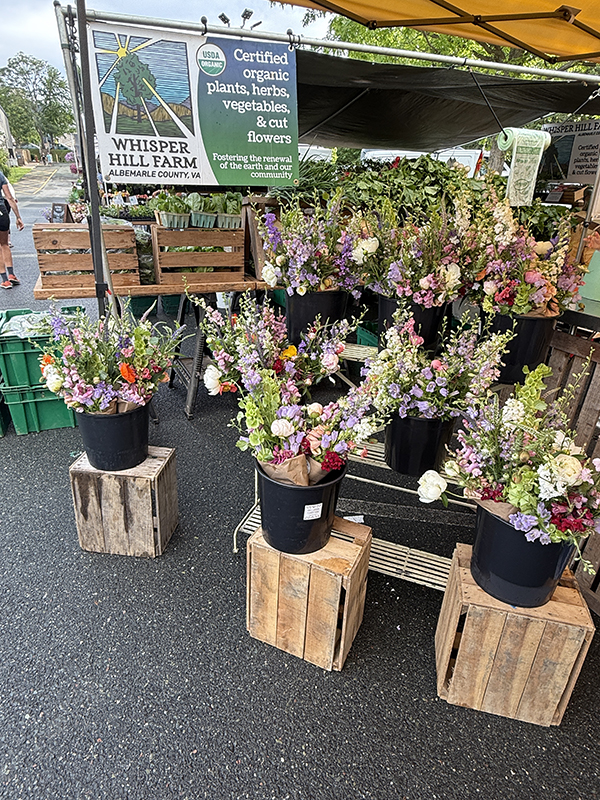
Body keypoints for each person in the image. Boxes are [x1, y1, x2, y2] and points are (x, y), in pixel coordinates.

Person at [0, 171, 24, 289]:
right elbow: (9, 197)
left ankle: (5, 280)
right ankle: (12, 275)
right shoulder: (0, 174)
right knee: (4, 244)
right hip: (2, 212)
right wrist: (18, 217)